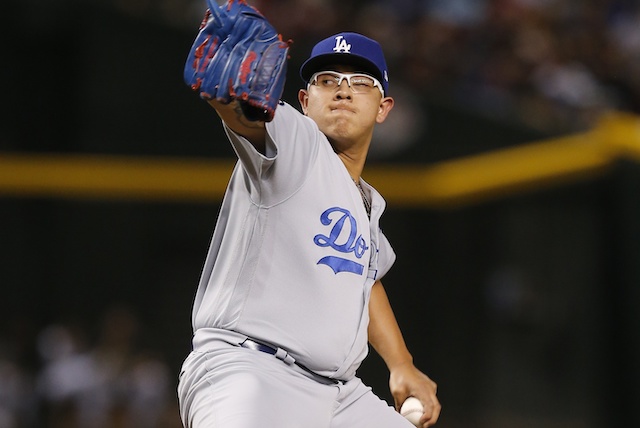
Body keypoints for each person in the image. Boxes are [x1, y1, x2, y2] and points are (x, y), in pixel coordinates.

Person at [177, 8, 441, 427]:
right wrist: (233, 96)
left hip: (339, 394)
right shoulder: (297, 142)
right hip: (251, 371)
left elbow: (364, 281)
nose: (342, 90)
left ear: (383, 107)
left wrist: (401, 364)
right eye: (327, 80)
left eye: (360, 82)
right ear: (303, 100)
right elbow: (247, 113)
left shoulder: (367, 203)